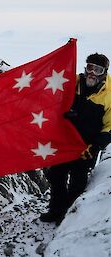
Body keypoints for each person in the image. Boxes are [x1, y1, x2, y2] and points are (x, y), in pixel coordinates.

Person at [40, 53, 111, 225]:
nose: (92, 72)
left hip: (86, 147)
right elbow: (50, 92)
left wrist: (96, 146)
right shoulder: (72, 83)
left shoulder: (108, 95)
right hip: (64, 143)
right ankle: (55, 210)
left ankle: (67, 216)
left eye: (98, 69)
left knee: (77, 183)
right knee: (56, 176)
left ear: (104, 72)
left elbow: (109, 126)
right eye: (90, 67)